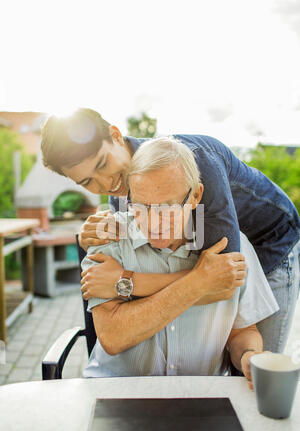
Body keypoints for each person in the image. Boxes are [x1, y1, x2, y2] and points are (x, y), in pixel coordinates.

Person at [41, 108, 300, 353]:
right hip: (228, 250)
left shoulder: (192, 165)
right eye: (87, 181)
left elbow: (221, 285)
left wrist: (124, 282)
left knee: (257, 364)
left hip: (272, 239)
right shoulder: (119, 191)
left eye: (102, 164)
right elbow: (195, 279)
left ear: (116, 136)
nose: (106, 183)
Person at [80, 136, 278, 385]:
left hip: (201, 397)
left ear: (195, 196)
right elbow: (113, 337)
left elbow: (242, 331)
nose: (153, 223)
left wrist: (249, 355)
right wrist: (199, 281)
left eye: (168, 207)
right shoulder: (108, 237)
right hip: (115, 392)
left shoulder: (235, 249)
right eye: (141, 207)